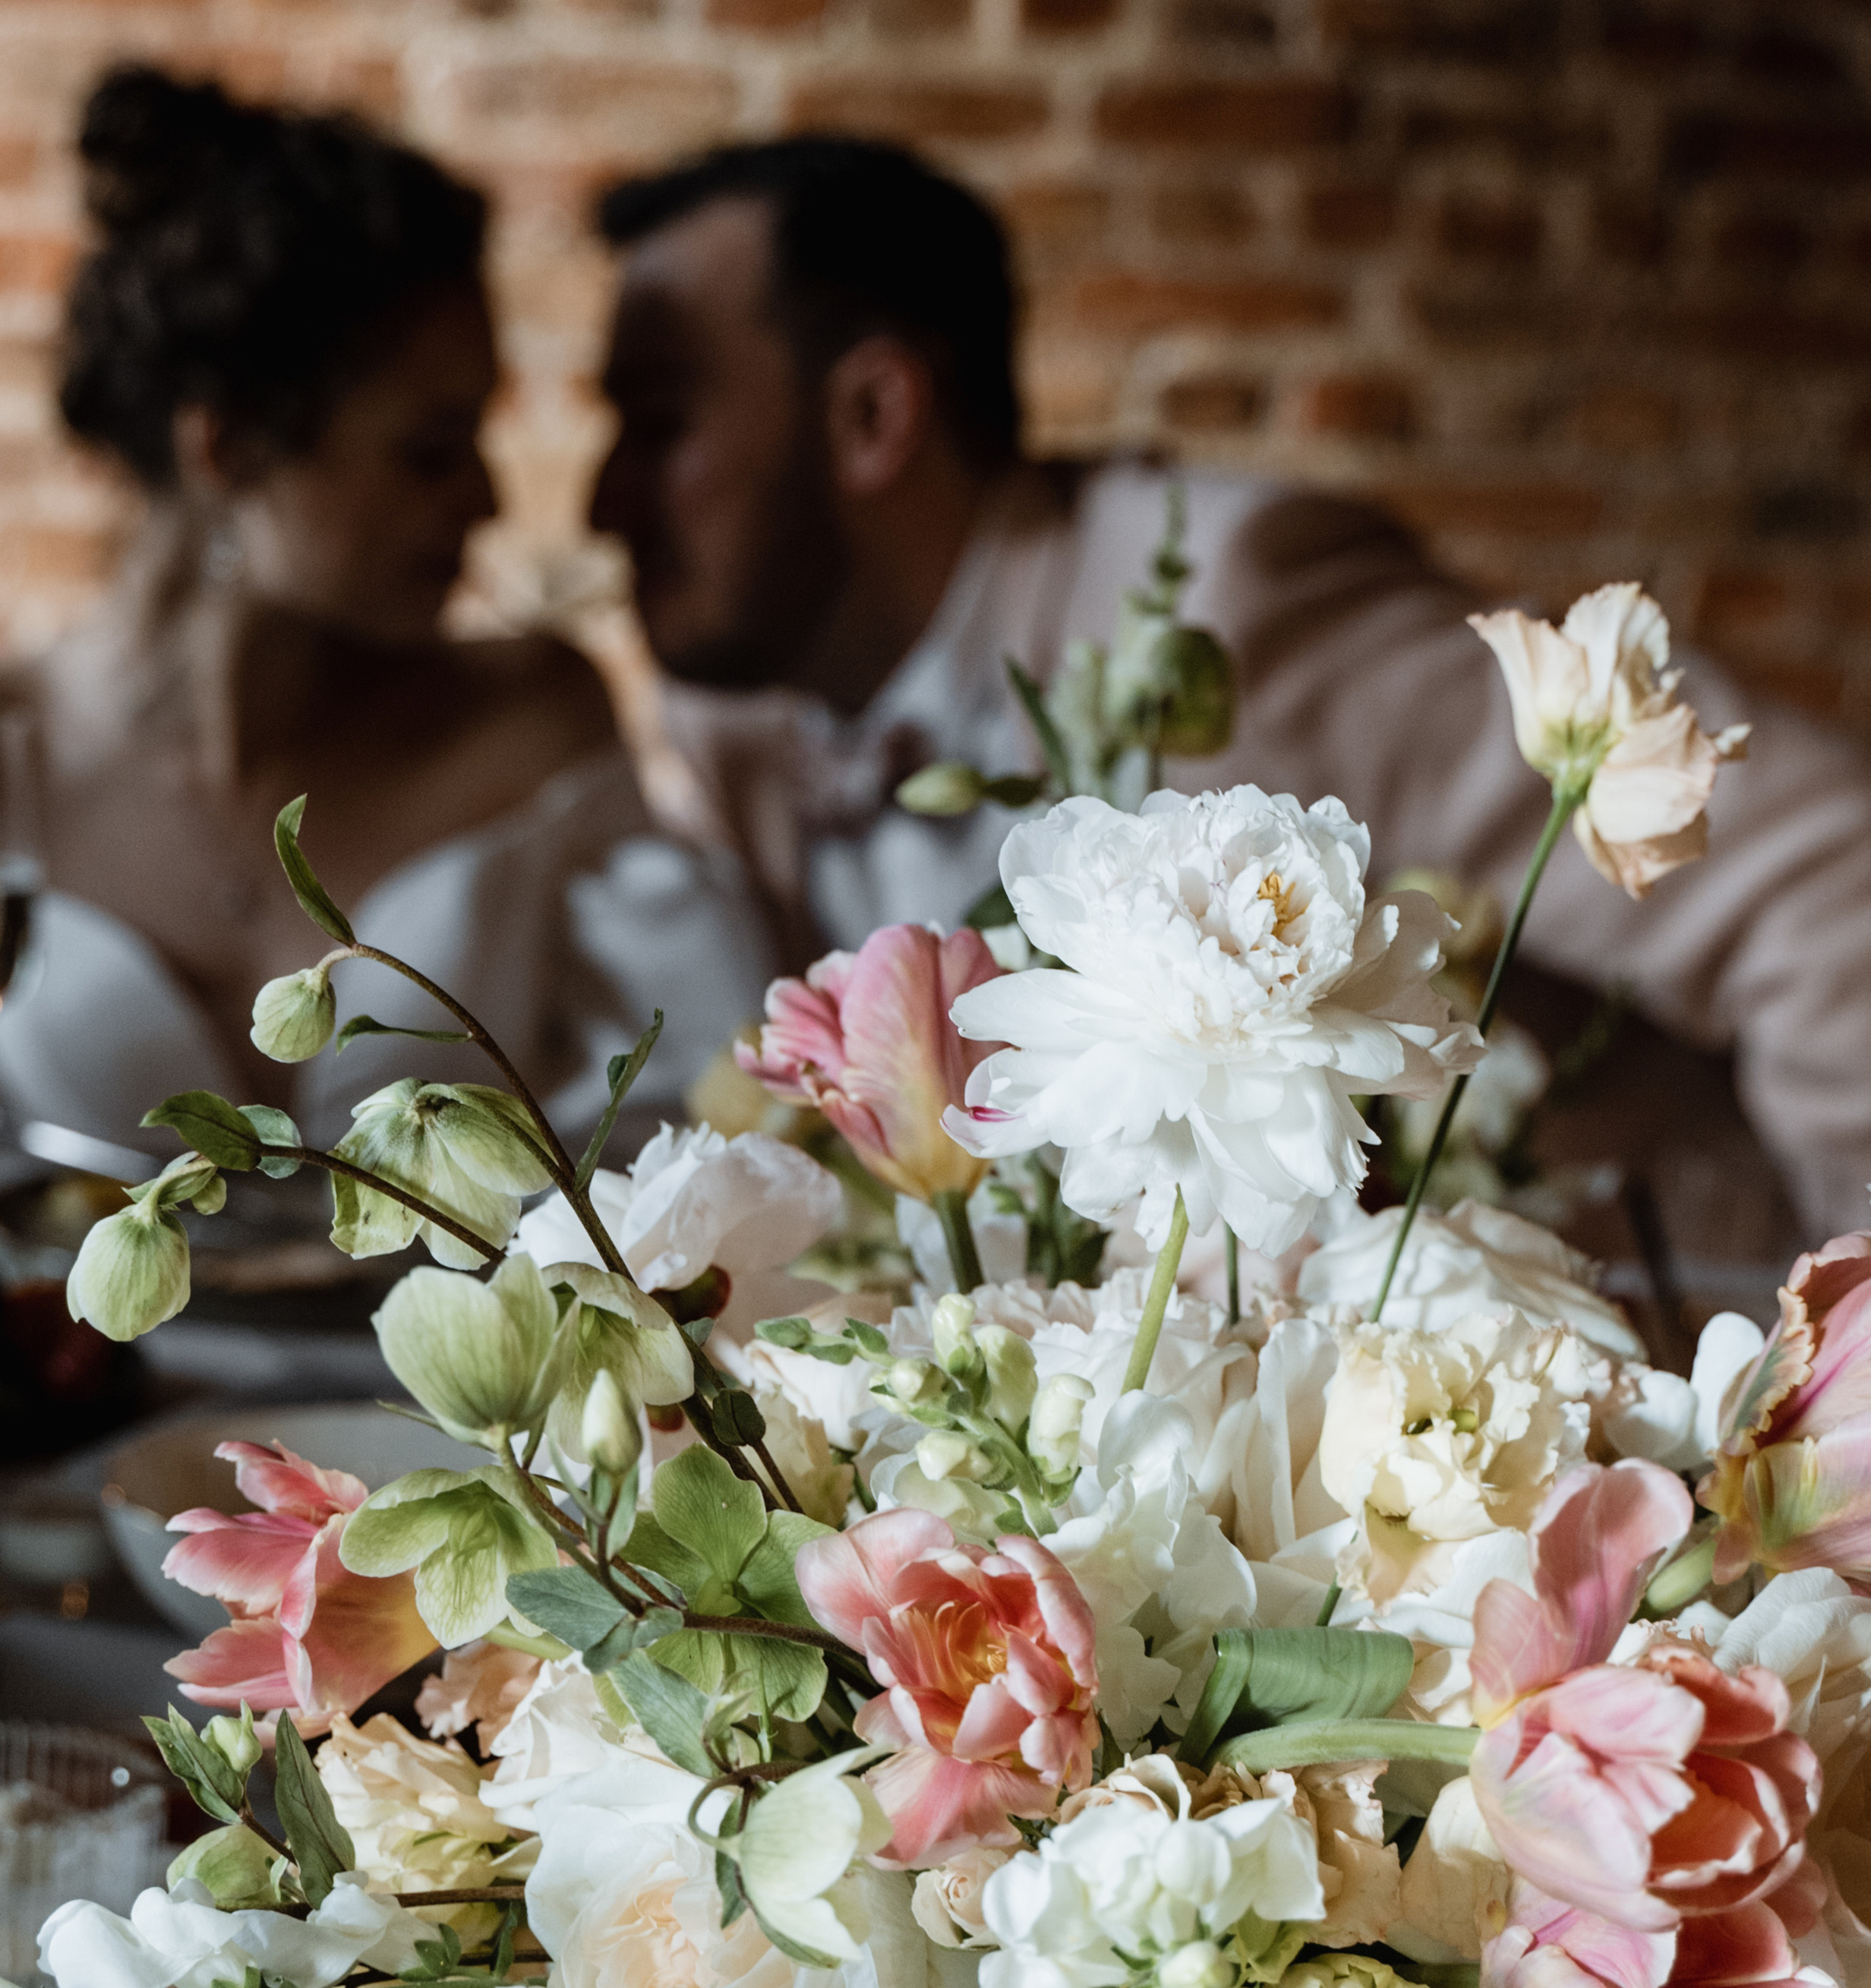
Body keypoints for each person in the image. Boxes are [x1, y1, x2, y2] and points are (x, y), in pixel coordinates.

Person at [592, 133, 1871, 1251]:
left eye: (657, 424)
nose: (604, 501)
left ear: (874, 415)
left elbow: (1827, 885)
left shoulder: (1234, 603)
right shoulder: (736, 722)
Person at [0, 66, 769, 1165]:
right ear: (230, 451)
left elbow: (714, 1116)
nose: (488, 500)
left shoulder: (533, 722)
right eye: (430, 453)